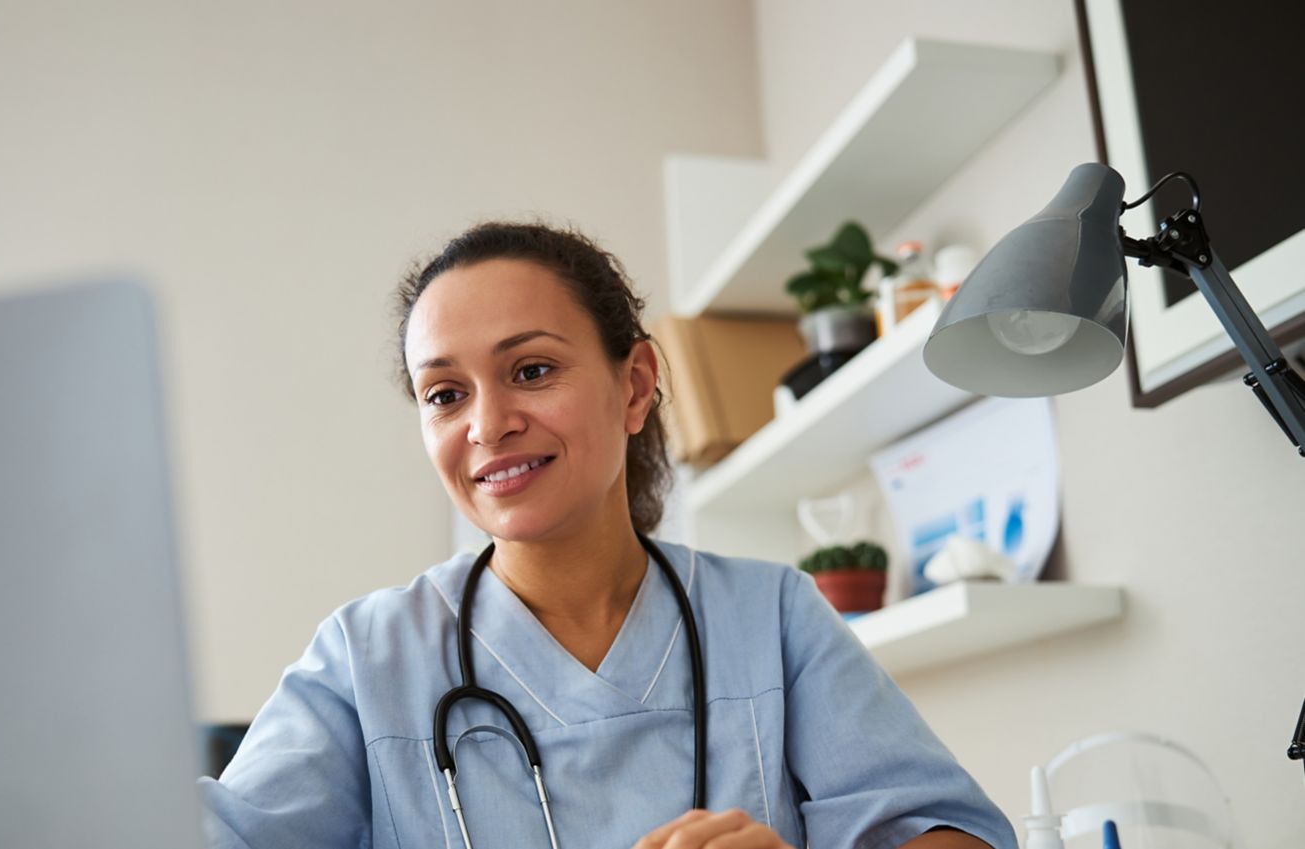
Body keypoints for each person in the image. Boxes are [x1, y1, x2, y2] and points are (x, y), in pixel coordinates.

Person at [198, 221, 1017, 849]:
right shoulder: (365, 658)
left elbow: (945, 832)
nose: (488, 424)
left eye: (531, 371)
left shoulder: (769, 616)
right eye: (443, 393)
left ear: (634, 385)